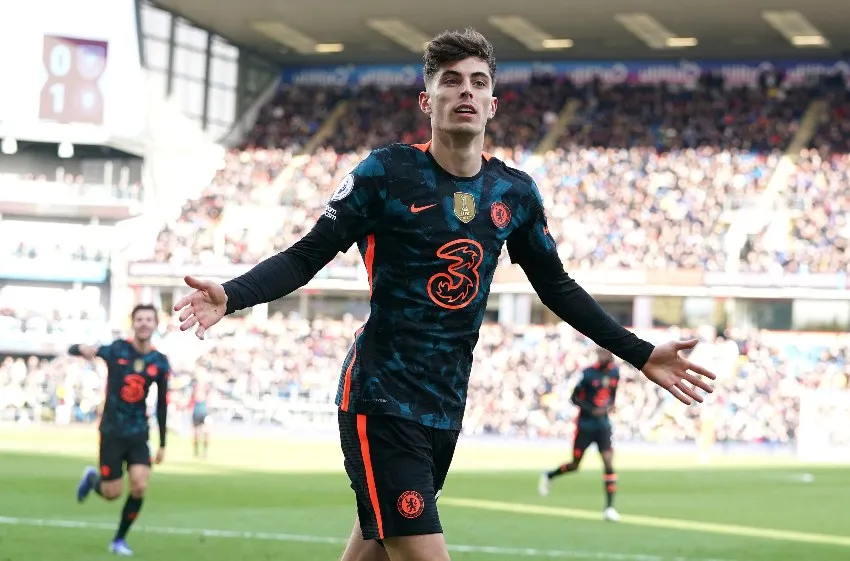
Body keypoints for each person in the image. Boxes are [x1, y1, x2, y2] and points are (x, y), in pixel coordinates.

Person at [172, 28, 717, 561]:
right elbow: (306, 254)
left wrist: (640, 353)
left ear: (492, 105)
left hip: (444, 406)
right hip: (380, 398)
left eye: (478, 82)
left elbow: (556, 287)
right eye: (451, 81)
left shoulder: (514, 193)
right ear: (426, 100)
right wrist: (232, 295)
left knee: (374, 551)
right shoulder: (386, 172)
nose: (465, 92)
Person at [72, 304, 171, 556]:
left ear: (155, 324)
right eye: (140, 319)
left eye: (149, 319)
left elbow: (162, 405)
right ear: (133, 323)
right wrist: (81, 348)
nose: (144, 323)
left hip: (138, 433)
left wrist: (162, 443)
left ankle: (118, 540)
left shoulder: (159, 362)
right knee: (111, 493)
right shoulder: (116, 350)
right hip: (112, 432)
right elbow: (73, 349)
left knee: (139, 485)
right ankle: (92, 479)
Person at [538, 347, 622, 521]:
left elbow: (613, 395)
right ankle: (550, 475)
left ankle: (609, 508)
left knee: (608, 462)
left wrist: (608, 407)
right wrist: (592, 410)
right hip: (585, 425)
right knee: (575, 464)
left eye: (605, 353)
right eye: (600, 353)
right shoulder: (588, 373)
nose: (602, 356)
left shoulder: (615, 372)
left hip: (603, 425)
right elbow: (574, 398)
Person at [189, 372, 211, 458]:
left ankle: (204, 451)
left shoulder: (207, 389)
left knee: (206, 432)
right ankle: (196, 451)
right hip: (196, 413)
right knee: (196, 434)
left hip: (204, 414)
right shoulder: (194, 389)